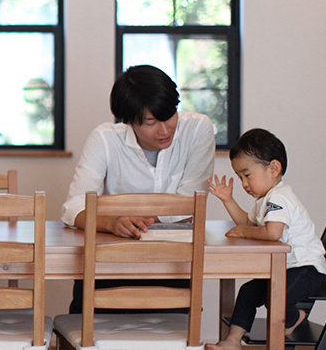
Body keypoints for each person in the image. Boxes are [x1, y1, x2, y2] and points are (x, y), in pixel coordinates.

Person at [60, 64, 216, 313]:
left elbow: (191, 203)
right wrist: (112, 223)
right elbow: (73, 208)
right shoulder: (105, 139)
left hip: (173, 262)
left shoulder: (198, 129)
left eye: (169, 116)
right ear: (129, 121)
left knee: (174, 328)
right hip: (109, 262)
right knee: (86, 318)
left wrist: (134, 218)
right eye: (151, 122)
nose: (164, 130)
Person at [206, 128, 326, 350]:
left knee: (276, 298)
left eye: (247, 175)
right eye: (239, 177)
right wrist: (228, 200)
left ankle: (296, 317)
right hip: (285, 268)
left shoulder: (279, 197)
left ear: (273, 168)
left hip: (306, 268)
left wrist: (243, 233)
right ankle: (232, 341)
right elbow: (248, 222)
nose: (244, 183)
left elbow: (272, 233)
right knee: (247, 292)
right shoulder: (266, 199)